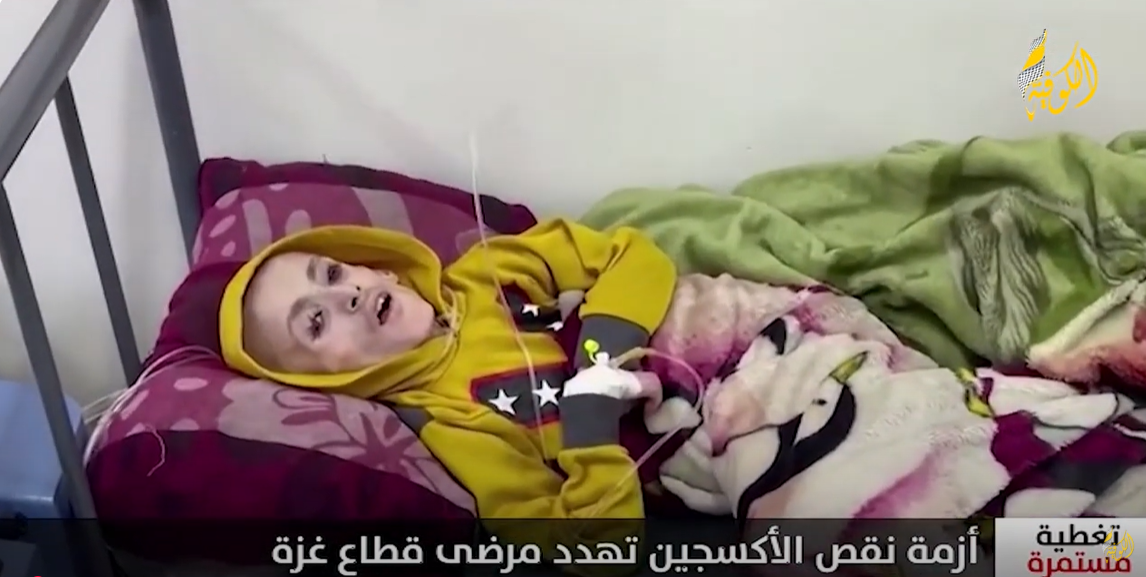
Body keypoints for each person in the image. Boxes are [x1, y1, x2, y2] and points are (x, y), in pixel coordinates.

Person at [218, 218, 677, 554]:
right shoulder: (447, 424)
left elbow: (635, 254)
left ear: (380, 270)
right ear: (322, 383)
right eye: (316, 322)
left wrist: (599, 361)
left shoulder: (488, 269)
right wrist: (591, 422)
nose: (347, 296)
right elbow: (598, 550)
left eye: (333, 274)